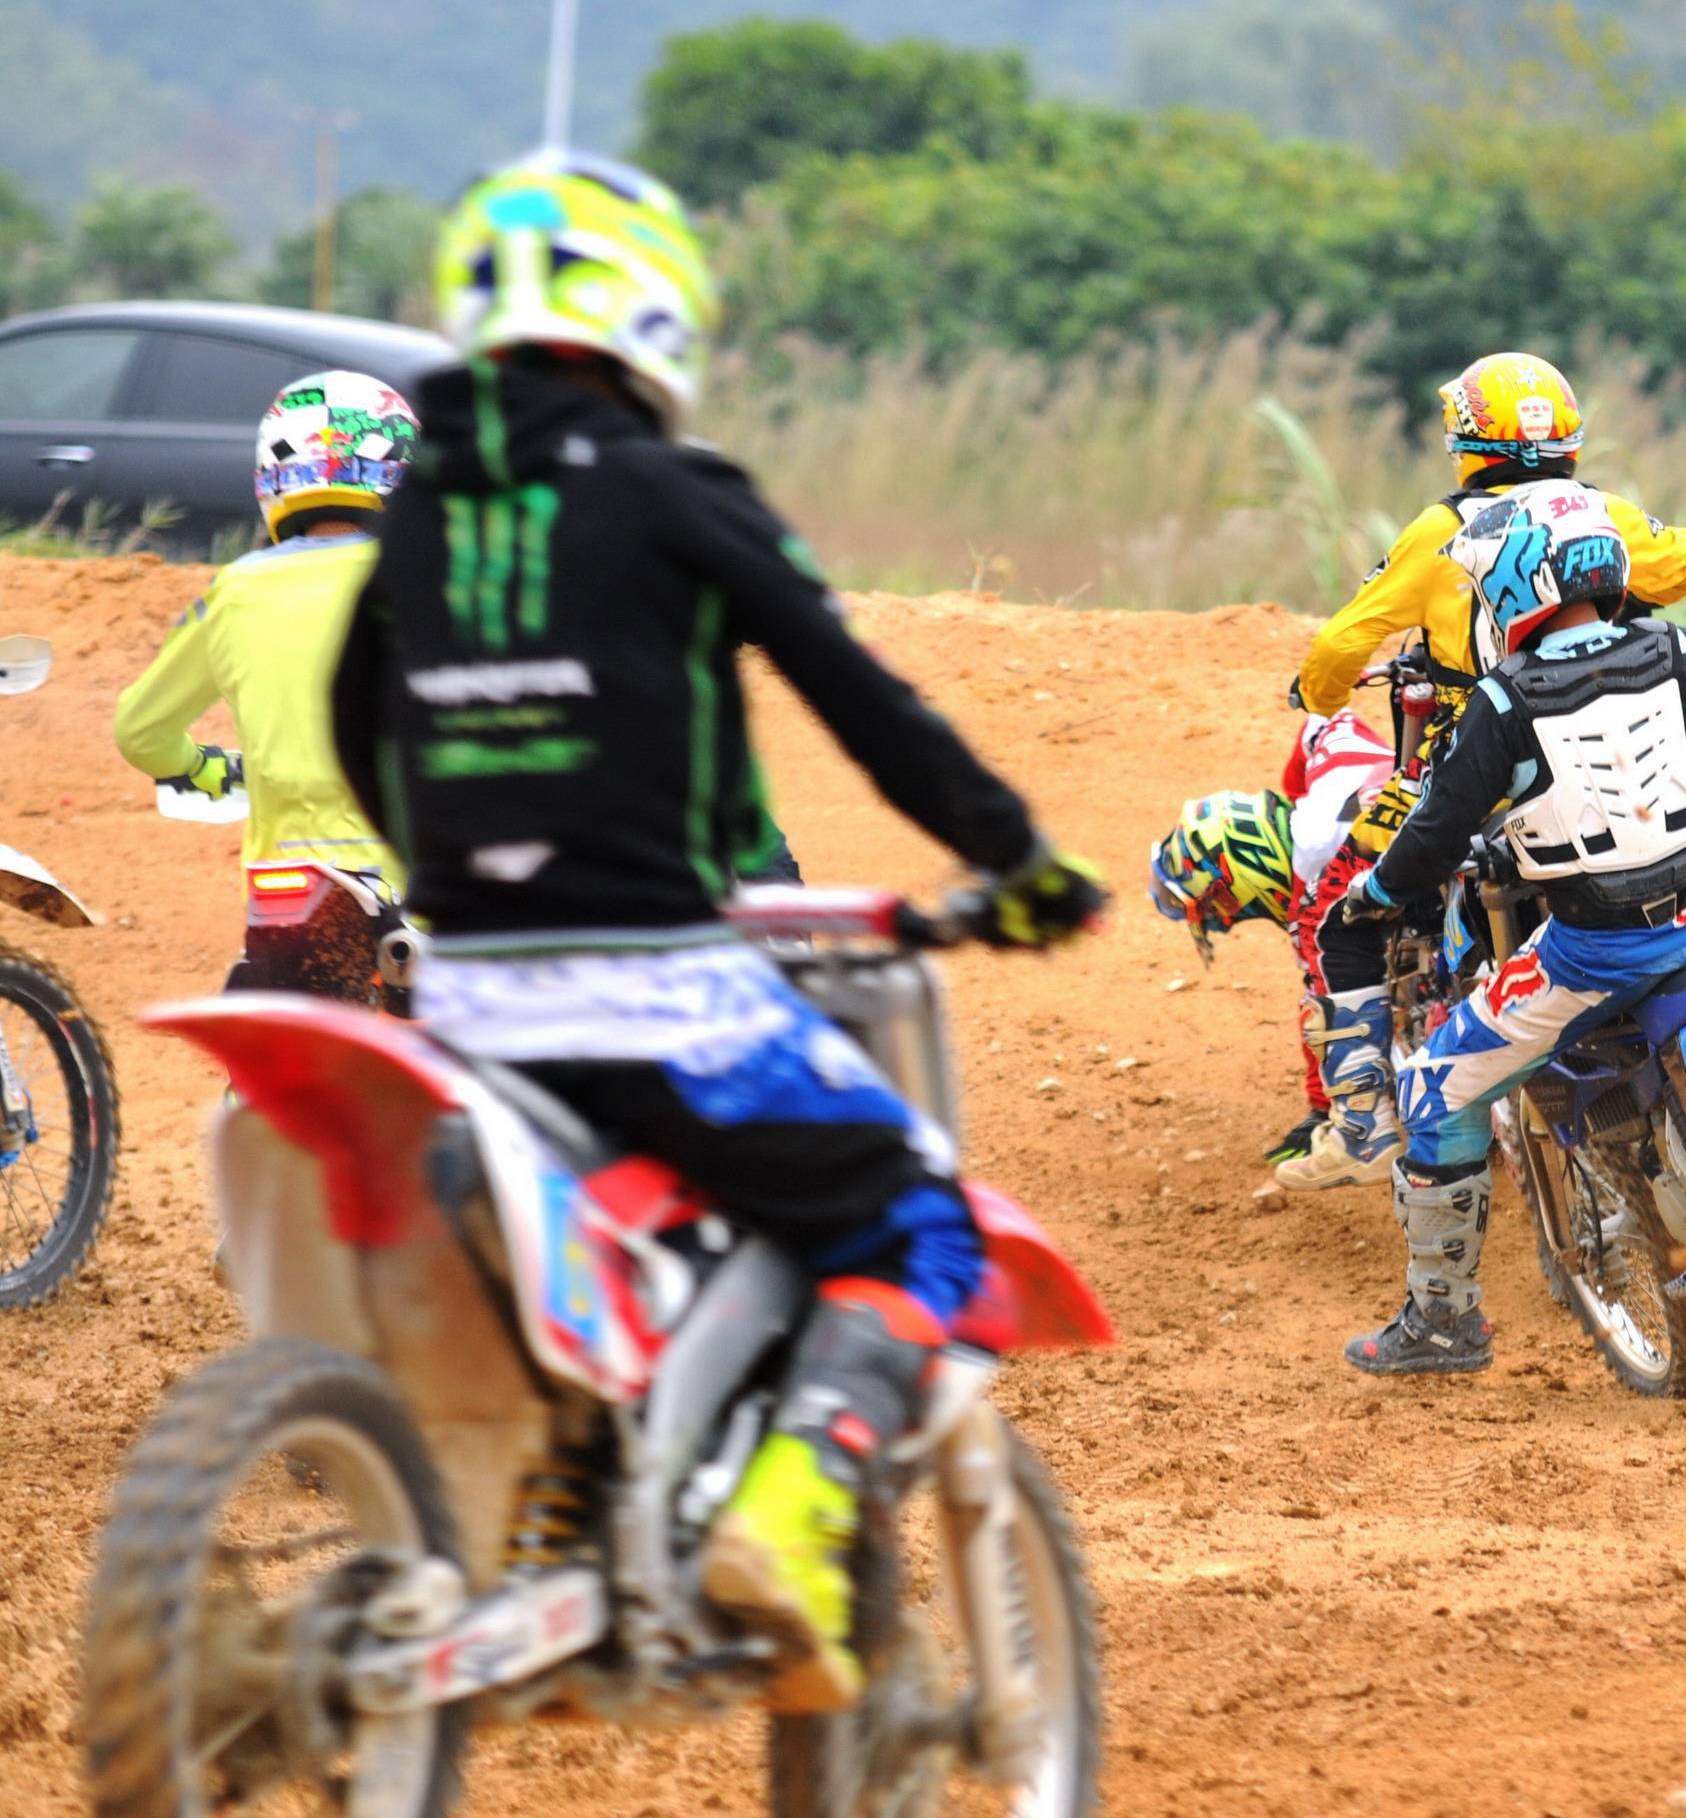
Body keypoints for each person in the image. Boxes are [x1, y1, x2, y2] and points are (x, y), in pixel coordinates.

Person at [330, 149, 1105, 1714]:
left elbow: (357, 718)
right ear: (648, 308)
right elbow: (859, 695)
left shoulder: (414, 513)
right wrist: (1012, 855)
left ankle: (572, 1515)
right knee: (920, 1224)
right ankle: (791, 1503)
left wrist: (465, 873)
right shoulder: (675, 490)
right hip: (658, 993)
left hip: (462, 1004)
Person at [1331, 487, 1686, 1375]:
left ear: (1513, 591)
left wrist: (1377, 891)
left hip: (1596, 952)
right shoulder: (1673, 648)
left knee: (1433, 1086)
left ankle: (1442, 1325)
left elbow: (1435, 833)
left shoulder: (1504, 701)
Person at [1295, 352, 1686, 1184]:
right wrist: (1659, 545)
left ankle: (1362, 1123)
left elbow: (1342, 643)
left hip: (1473, 761)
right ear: (1567, 439)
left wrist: (1317, 693)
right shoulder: (1598, 513)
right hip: (1612, 745)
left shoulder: (1438, 533)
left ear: (1466, 441)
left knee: (1348, 918)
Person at [116, 372, 416, 907]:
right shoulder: (432, 583)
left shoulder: (237, 590)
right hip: (414, 879)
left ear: (273, 475)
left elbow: (138, 732)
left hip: (288, 886)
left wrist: (202, 767)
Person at [1145, 707, 1396, 1187]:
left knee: (1346, 978)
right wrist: (1298, 789)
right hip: (1476, 793)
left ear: (1246, 872)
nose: (1230, 916)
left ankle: (1364, 1134)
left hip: (1439, 849)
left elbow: (1318, 1007)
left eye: (1223, 902)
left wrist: (1320, 1107)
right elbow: (1322, 719)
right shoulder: (1330, 761)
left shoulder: (1314, 903)